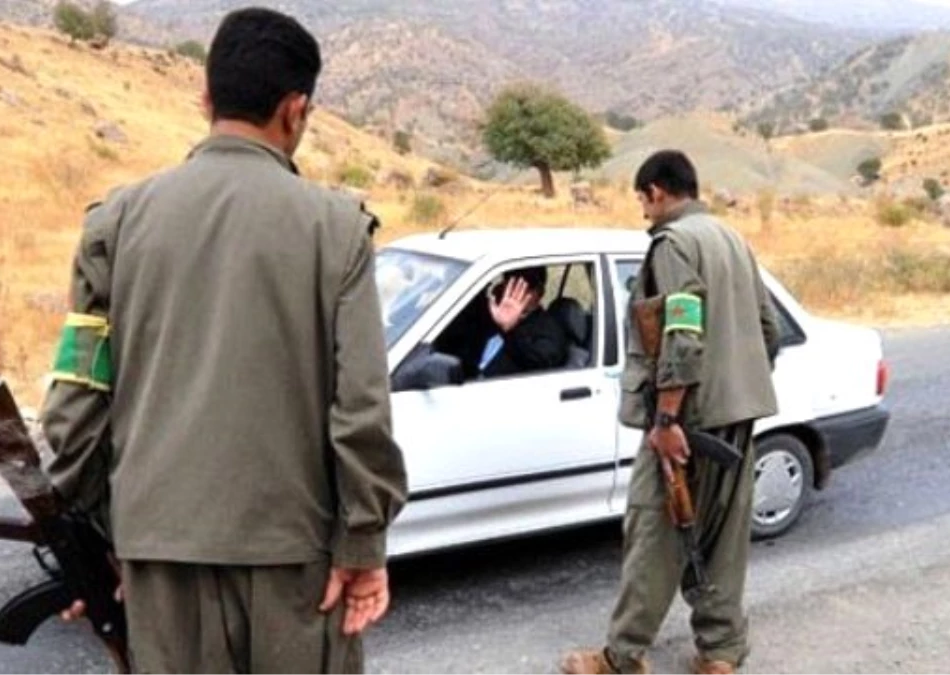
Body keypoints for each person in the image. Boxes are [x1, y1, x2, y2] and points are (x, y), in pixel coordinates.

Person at [40, 7, 408, 674]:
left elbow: (73, 410)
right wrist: (361, 548)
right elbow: (361, 411)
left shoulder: (113, 226)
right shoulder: (337, 230)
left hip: (158, 561)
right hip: (296, 565)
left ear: (206, 98)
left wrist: (111, 535)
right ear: (296, 110)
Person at [561, 150, 780, 675]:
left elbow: (681, 333)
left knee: (652, 537)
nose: (643, 211)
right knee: (723, 543)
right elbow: (767, 328)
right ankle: (721, 655)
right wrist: (736, 386)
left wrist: (665, 422)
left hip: (685, 425)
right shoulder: (731, 239)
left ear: (657, 191)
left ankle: (622, 658)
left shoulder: (673, 244)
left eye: (643, 199)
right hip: (735, 419)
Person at [477, 266, 568, 378]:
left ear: (539, 293)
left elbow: (541, 363)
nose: (515, 292)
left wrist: (509, 330)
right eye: (511, 285)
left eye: (524, 287)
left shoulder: (549, 328)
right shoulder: (494, 314)